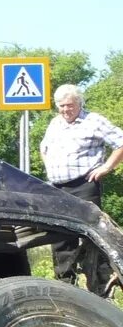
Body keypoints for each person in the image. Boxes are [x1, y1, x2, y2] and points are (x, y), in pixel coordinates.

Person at [38, 83, 123, 296]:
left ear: (79, 103)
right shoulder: (55, 123)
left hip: (84, 185)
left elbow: (120, 142)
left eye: (69, 105)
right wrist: (50, 166)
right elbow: (44, 147)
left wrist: (106, 167)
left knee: (92, 236)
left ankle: (101, 289)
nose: (66, 110)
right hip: (57, 188)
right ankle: (65, 287)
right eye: (61, 106)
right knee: (59, 236)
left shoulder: (93, 121)